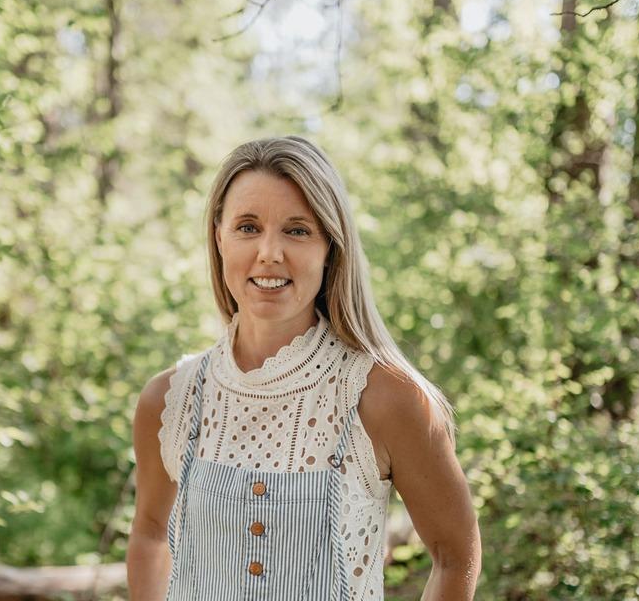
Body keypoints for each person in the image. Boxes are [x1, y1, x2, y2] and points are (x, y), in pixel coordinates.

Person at [126, 135, 481, 600]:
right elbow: (151, 533)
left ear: (330, 247)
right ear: (219, 237)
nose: (269, 253)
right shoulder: (170, 400)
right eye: (248, 227)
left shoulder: (385, 398)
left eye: (297, 230)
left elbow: (456, 556)